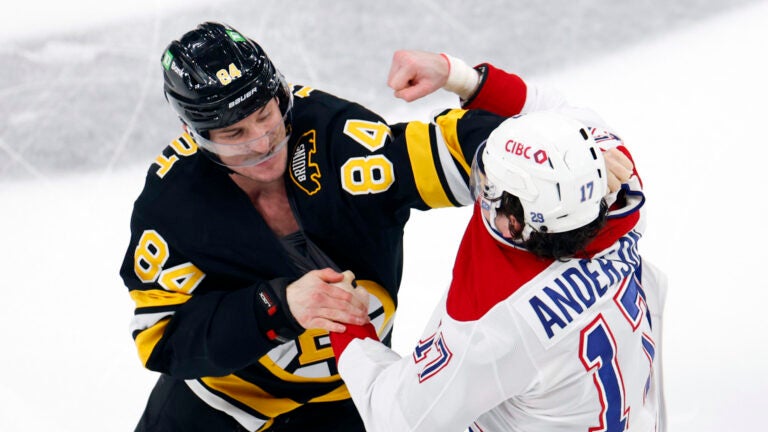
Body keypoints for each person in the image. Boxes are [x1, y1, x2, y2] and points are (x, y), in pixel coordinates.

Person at [120, 22, 514, 432]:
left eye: (264, 116)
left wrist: (465, 81)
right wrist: (276, 306)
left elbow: (492, 151)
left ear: (280, 96)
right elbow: (164, 339)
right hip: (223, 402)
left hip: (352, 388)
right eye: (233, 133)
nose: (260, 143)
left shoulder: (338, 140)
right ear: (194, 134)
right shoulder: (171, 205)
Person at [330, 52, 667, 431]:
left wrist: (350, 322)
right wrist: (458, 78)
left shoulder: (495, 326)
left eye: (489, 185)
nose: (481, 189)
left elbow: (399, 419)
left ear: (515, 223)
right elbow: (553, 112)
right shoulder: (616, 176)